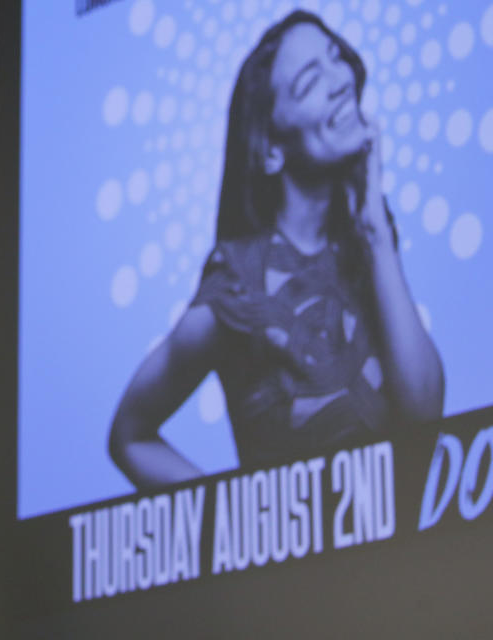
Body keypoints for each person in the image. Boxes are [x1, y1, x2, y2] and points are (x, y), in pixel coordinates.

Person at [109, 10, 443, 489]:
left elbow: (426, 416)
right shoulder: (238, 282)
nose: (340, 81)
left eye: (335, 57)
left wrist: (375, 231)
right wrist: (228, 524)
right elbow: (130, 435)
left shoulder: (365, 246)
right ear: (270, 148)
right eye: (309, 83)